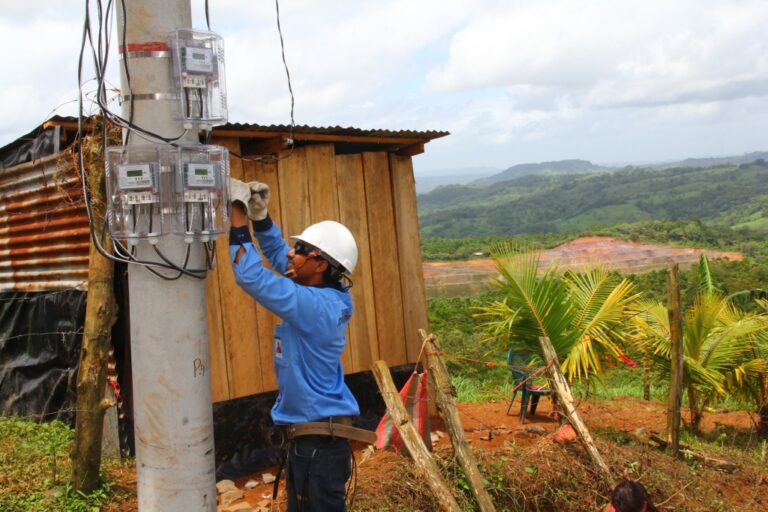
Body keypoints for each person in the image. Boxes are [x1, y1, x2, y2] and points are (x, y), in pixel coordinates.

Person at [228, 178, 374, 512]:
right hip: (315, 442)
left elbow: (251, 276)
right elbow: (283, 257)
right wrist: (260, 218)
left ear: (321, 264)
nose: (293, 253)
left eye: (303, 250)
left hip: (319, 447)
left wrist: (237, 213)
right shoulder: (327, 292)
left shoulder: (314, 306)